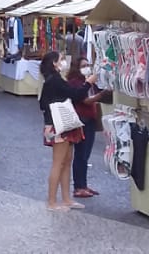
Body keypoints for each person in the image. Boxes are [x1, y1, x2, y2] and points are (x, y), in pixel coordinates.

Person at [39, 51, 97, 211]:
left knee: (66, 161)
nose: (64, 62)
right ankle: (52, 201)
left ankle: (65, 198)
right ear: (54, 64)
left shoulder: (54, 80)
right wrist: (89, 83)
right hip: (59, 125)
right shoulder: (55, 81)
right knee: (59, 162)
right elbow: (76, 94)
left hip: (62, 124)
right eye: (62, 59)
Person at [66, 56, 107, 199]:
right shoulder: (76, 83)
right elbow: (84, 99)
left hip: (89, 119)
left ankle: (82, 185)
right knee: (81, 154)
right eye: (84, 65)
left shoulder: (86, 81)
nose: (87, 67)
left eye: (88, 65)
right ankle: (79, 186)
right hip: (81, 119)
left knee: (85, 154)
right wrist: (101, 95)